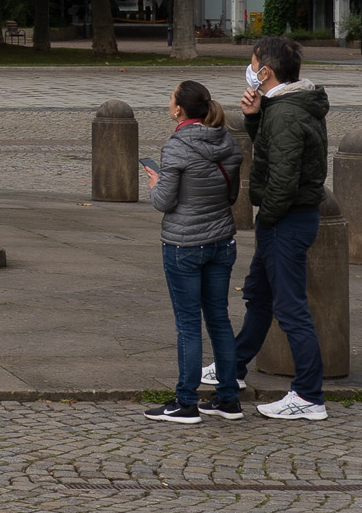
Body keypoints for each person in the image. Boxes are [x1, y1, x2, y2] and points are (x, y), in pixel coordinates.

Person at [231, 34, 331, 422]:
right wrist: (255, 117)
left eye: (254, 64)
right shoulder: (285, 105)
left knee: (290, 309)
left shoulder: (287, 113)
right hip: (285, 218)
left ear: (266, 72)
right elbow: (275, 150)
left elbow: (284, 178)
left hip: (286, 220)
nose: (250, 70)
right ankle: (232, 367)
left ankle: (308, 395)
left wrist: (268, 217)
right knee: (259, 295)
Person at [138, 78, 244, 424]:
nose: (169, 103)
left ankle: (186, 401)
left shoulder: (177, 146)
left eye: (171, 99)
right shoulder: (228, 142)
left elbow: (163, 201)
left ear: (179, 110)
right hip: (221, 241)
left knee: (188, 323)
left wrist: (155, 183)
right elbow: (231, 195)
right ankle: (228, 399)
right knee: (219, 319)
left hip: (184, 244)